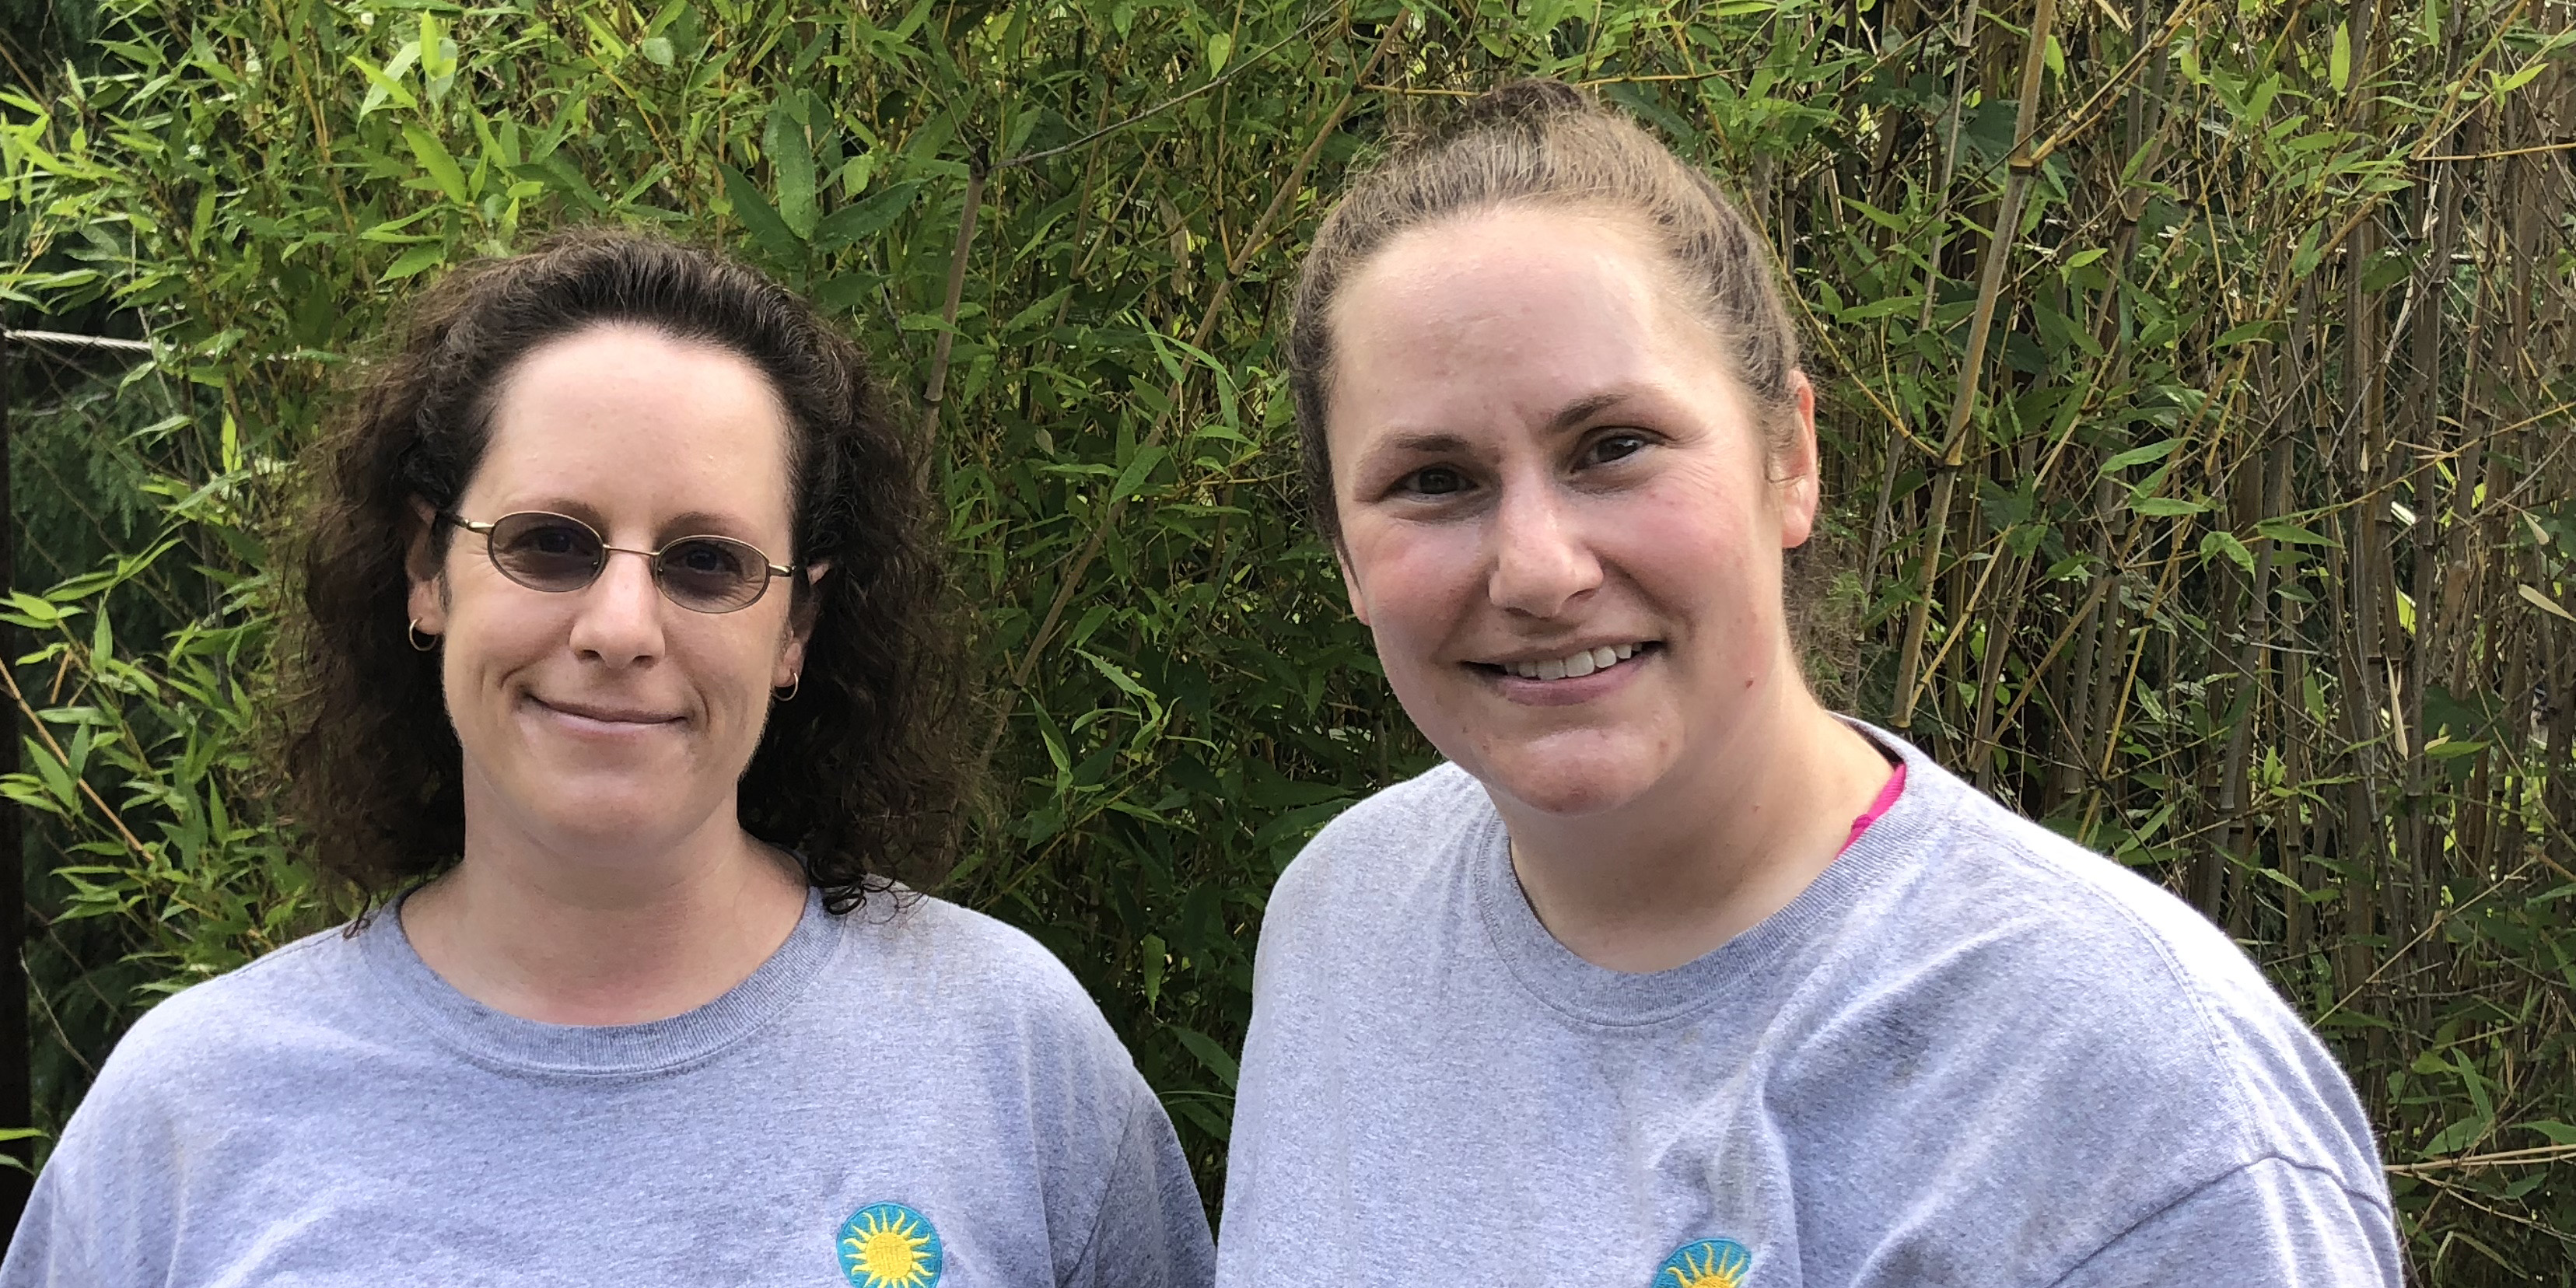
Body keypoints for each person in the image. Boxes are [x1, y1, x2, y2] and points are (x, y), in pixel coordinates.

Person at [1216, 80, 2399, 1286]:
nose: (1539, 570)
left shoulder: (2132, 1104)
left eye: (1614, 448)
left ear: (1791, 460)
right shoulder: (1342, 923)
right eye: (1432, 479)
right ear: (1345, 555)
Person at [2, 230, 1214, 1288]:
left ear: (795, 627)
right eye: (549, 542)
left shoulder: (1008, 1057)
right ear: (428, 568)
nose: (621, 628)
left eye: (706, 563)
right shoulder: (190, 1114)